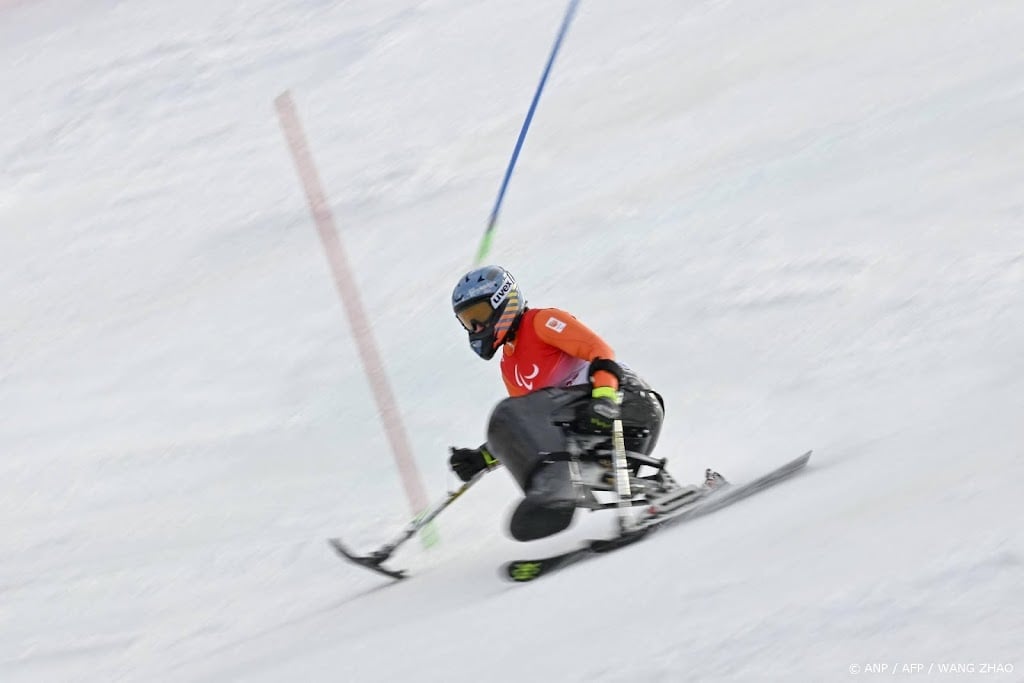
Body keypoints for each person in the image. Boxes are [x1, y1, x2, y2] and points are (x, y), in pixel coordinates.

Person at [448, 265, 666, 541]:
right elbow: (527, 427)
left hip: (628, 405)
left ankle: (555, 493)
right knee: (513, 420)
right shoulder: (509, 364)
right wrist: (483, 458)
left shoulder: (541, 321)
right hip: (585, 430)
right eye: (468, 321)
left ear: (502, 301)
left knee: (505, 413)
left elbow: (600, 352)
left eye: (478, 316)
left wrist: (604, 401)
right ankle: (552, 497)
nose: (477, 328)